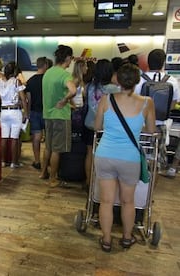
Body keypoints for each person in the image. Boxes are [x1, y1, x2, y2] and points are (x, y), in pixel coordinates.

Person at [94, 63, 156, 252]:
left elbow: (97, 127)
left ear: (118, 80)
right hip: (130, 157)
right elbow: (151, 130)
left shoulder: (106, 99)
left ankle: (106, 240)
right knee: (128, 201)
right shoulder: (147, 102)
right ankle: (127, 238)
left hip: (105, 154)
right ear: (137, 80)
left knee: (106, 200)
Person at [134, 49, 180, 174]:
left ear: (148, 62)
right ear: (163, 63)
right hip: (160, 126)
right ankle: (151, 190)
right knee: (156, 162)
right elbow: (173, 104)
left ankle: (138, 190)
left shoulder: (139, 80)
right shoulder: (172, 81)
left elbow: (134, 102)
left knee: (138, 159)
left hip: (141, 126)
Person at [40, 45, 77, 187]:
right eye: (71, 58)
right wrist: (64, 100)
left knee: (48, 146)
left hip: (47, 115)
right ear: (67, 58)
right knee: (57, 149)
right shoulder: (65, 75)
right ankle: (53, 179)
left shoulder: (48, 73)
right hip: (60, 116)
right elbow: (73, 90)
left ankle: (43, 172)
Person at [84, 59, 120, 189]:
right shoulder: (114, 89)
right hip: (106, 128)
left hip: (89, 124)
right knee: (104, 157)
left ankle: (88, 181)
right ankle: (100, 185)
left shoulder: (89, 86)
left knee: (89, 153)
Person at [0, 61, 28, 169]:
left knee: (4, 137)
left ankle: (3, 161)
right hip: (15, 111)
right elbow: (23, 98)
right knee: (14, 138)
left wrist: (5, 101)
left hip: (3, 111)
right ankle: (14, 163)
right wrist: (26, 113)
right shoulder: (16, 82)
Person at [25, 57, 52, 170]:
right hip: (47, 111)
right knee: (49, 138)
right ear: (45, 65)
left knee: (36, 137)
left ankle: (37, 161)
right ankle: (48, 160)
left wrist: (28, 112)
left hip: (34, 111)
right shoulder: (49, 80)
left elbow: (29, 99)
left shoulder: (30, 81)